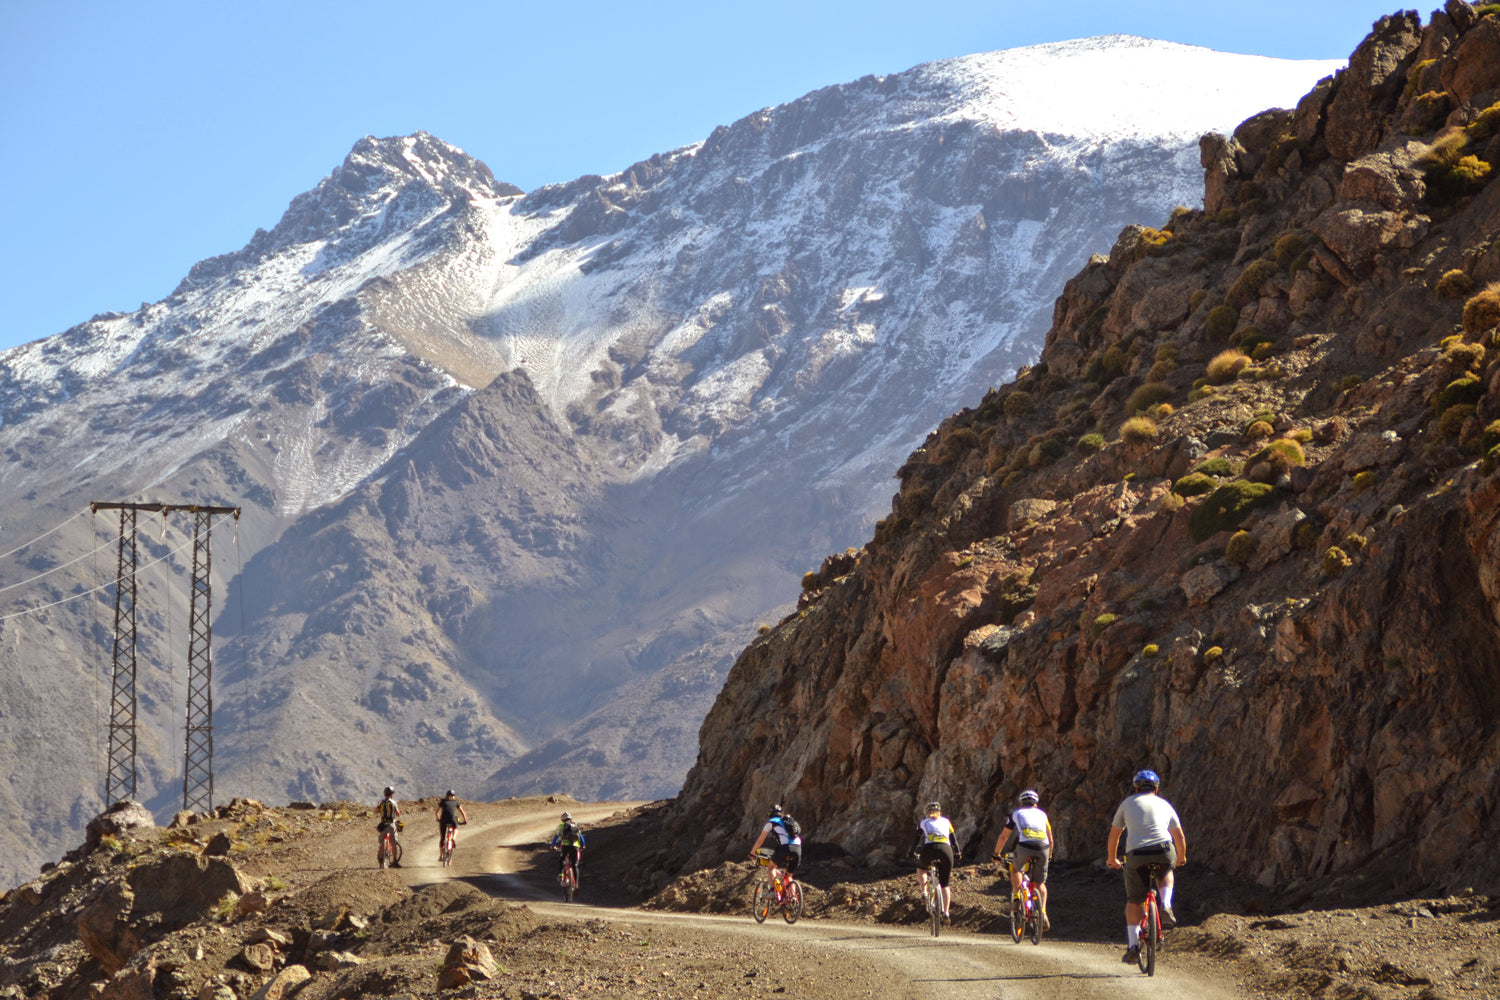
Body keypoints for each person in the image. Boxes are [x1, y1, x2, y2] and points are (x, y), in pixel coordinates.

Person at [1106, 769, 1187, 964]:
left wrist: (1112, 858)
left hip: (1136, 854)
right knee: (1166, 871)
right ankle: (1166, 905)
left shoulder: (1126, 804)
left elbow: (1115, 835)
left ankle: (1133, 947)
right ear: (1157, 788)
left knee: (1134, 901)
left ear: (1136, 788)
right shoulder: (1165, 804)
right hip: (1163, 849)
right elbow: (1179, 836)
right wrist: (1181, 858)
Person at [992, 789, 1053, 930]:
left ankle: (1018, 897)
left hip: (1025, 845)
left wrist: (996, 853)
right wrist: (1049, 856)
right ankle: (1043, 912)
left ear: (1021, 803)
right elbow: (1050, 838)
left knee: (1015, 869)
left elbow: (1003, 837)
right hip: (1043, 847)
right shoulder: (1043, 815)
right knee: (1040, 883)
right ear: (1036, 804)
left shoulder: (1016, 813)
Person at [910, 801, 958, 922]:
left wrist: (911, 852)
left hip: (929, 849)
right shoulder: (947, 822)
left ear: (926, 812)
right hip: (946, 850)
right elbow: (954, 839)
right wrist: (957, 852)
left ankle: (924, 892)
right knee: (945, 884)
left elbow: (916, 838)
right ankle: (946, 913)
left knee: (921, 868)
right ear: (939, 812)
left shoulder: (924, 822)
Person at [747, 804, 801, 888]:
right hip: (798, 848)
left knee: (771, 868)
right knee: (789, 876)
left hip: (785, 847)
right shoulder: (787, 822)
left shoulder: (771, 822)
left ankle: (772, 891)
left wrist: (752, 852)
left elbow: (760, 840)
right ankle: (793, 898)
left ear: (770, 814)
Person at [551, 811, 586, 881]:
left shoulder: (561, 826)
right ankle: (576, 884)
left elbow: (556, 837)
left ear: (562, 820)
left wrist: (553, 845)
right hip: (575, 847)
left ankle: (561, 874)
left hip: (565, 846)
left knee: (562, 859)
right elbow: (581, 837)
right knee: (574, 865)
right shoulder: (575, 826)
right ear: (570, 819)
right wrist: (583, 845)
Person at [377, 786, 403, 868]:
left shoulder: (381, 802)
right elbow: (398, 814)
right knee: (394, 843)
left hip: (382, 824)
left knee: (381, 841)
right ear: (392, 794)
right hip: (391, 824)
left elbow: (376, 811)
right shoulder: (393, 802)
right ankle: (394, 861)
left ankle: (380, 855)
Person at [435, 789, 468, 854]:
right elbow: (462, 812)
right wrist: (465, 820)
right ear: (454, 796)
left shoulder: (442, 801)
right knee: (456, 828)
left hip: (443, 819)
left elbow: (436, 811)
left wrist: (438, 819)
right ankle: (453, 839)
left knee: (442, 838)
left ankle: (441, 855)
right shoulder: (455, 802)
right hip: (452, 819)